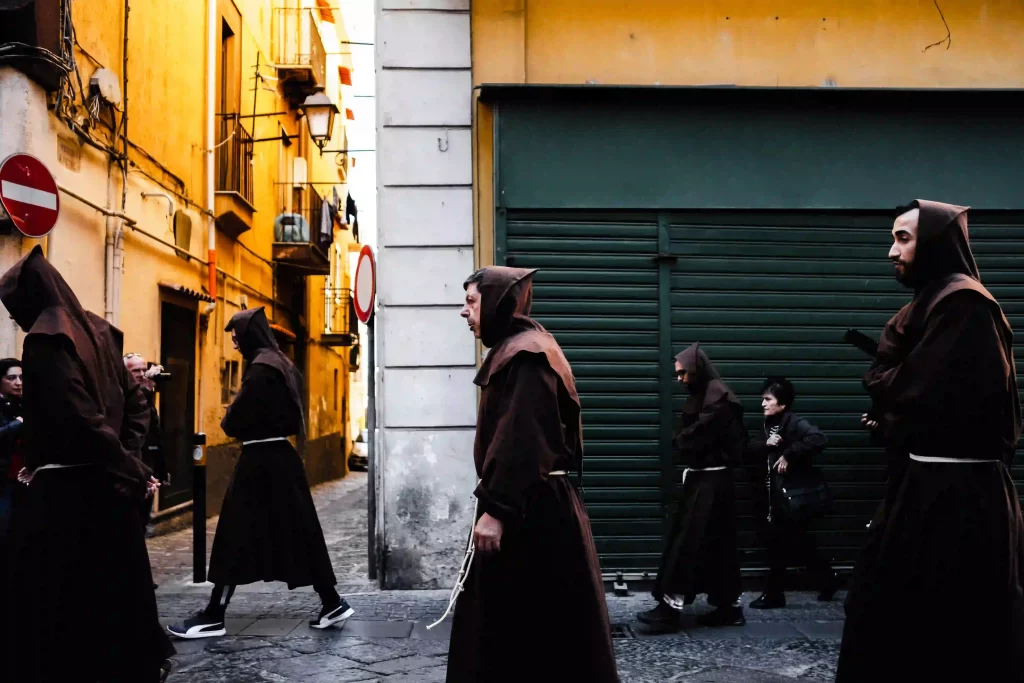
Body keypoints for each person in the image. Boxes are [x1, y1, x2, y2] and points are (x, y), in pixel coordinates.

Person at [836, 200, 1024, 682]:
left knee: (947, 626)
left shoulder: (963, 304)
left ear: (936, 244)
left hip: (957, 497)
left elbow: (916, 388)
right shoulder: (932, 303)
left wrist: (886, 387)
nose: (890, 251)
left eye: (903, 238)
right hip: (926, 485)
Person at [0, 245, 173, 682]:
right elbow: (132, 404)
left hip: (66, 498)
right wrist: (129, 464)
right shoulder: (95, 330)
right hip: (105, 491)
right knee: (111, 600)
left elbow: (80, 418)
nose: (14, 318)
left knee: (53, 607)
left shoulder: (46, 339)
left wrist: (128, 465)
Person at [446, 266, 619, 683]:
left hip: (532, 513)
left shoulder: (527, 355)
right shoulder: (519, 348)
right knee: (525, 629)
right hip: (531, 505)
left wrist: (497, 509)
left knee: (534, 630)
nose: (463, 311)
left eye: (471, 300)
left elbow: (524, 436)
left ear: (498, 301)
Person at [167, 307, 352, 639]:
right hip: (282, 458)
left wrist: (230, 417)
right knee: (301, 532)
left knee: (232, 534)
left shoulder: (261, 370)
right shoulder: (283, 364)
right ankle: (332, 601)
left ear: (250, 336)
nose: (235, 344)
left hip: (260, 460)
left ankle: (213, 615)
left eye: (237, 338)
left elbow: (234, 420)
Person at [637, 343, 746, 632]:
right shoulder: (708, 396)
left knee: (688, 543)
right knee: (716, 546)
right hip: (706, 480)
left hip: (710, 482)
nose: (681, 379)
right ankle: (728, 608)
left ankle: (670, 609)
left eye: (684, 373)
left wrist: (680, 439)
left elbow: (699, 434)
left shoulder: (718, 397)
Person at [746, 377, 838, 609]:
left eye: (768, 400)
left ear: (783, 404)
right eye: (763, 400)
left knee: (780, 545)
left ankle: (775, 594)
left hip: (790, 498)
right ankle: (828, 579)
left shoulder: (794, 423)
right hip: (773, 498)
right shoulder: (767, 426)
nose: (763, 404)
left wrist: (789, 453)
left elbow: (818, 439)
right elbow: (750, 448)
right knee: (800, 543)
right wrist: (767, 444)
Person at [124, 352, 170, 530]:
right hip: (133, 466)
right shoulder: (123, 394)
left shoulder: (146, 394)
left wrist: (161, 470)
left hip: (148, 468)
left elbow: (153, 432)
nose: (143, 374)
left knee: (142, 520)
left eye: (145, 369)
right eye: (137, 370)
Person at [0, 358, 24, 562]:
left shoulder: (23, 403)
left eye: (21, 377)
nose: (18, 382)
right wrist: (18, 423)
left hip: (21, 475)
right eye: (12, 378)